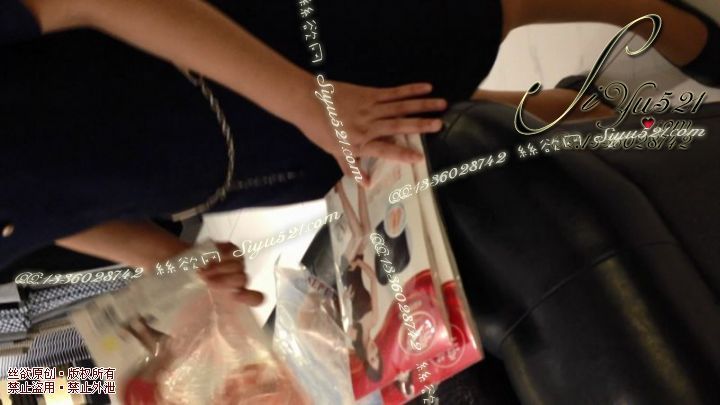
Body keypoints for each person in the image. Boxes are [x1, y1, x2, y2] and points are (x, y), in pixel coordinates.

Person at [1, 0, 717, 298]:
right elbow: (32, 212)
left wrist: (303, 97)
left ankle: (657, 17)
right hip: (233, 162)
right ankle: (612, 113)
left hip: (237, 48)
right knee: (439, 128)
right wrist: (155, 254)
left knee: (467, 18)